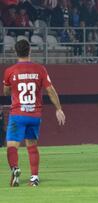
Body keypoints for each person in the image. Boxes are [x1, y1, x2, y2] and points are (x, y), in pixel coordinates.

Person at [2, 40, 66, 187]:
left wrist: (11, 86)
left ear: (15, 52)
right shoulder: (40, 69)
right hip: (34, 115)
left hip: (18, 114)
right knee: (32, 146)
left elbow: (6, 92)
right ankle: (34, 178)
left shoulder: (9, 71)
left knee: (12, 146)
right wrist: (58, 108)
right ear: (30, 50)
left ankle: (15, 169)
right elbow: (50, 90)